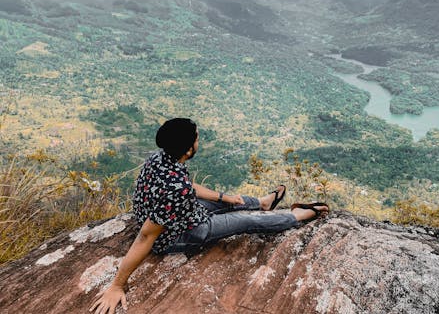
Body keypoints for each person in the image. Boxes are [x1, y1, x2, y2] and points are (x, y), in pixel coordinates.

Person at [90, 118, 328, 314]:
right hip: (181, 233)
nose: (198, 140)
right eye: (196, 137)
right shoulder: (177, 189)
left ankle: (264, 202)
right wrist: (117, 285)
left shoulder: (161, 157)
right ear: (188, 149)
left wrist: (225, 197)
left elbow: (189, 187)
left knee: (234, 202)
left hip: (184, 212)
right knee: (246, 221)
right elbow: (145, 237)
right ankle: (296, 216)